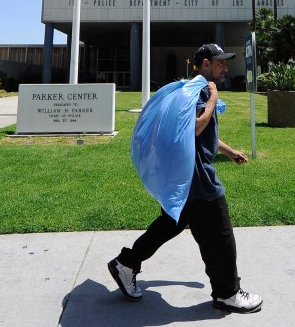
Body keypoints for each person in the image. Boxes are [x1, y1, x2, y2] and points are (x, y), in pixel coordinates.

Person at [108, 43, 263, 314]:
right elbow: (193, 128)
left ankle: (127, 262)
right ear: (205, 64)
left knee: (171, 223)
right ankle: (227, 293)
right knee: (220, 235)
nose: (225, 67)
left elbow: (203, 134)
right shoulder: (201, 91)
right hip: (197, 178)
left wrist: (227, 151)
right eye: (220, 62)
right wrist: (213, 98)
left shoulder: (191, 89)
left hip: (185, 177)